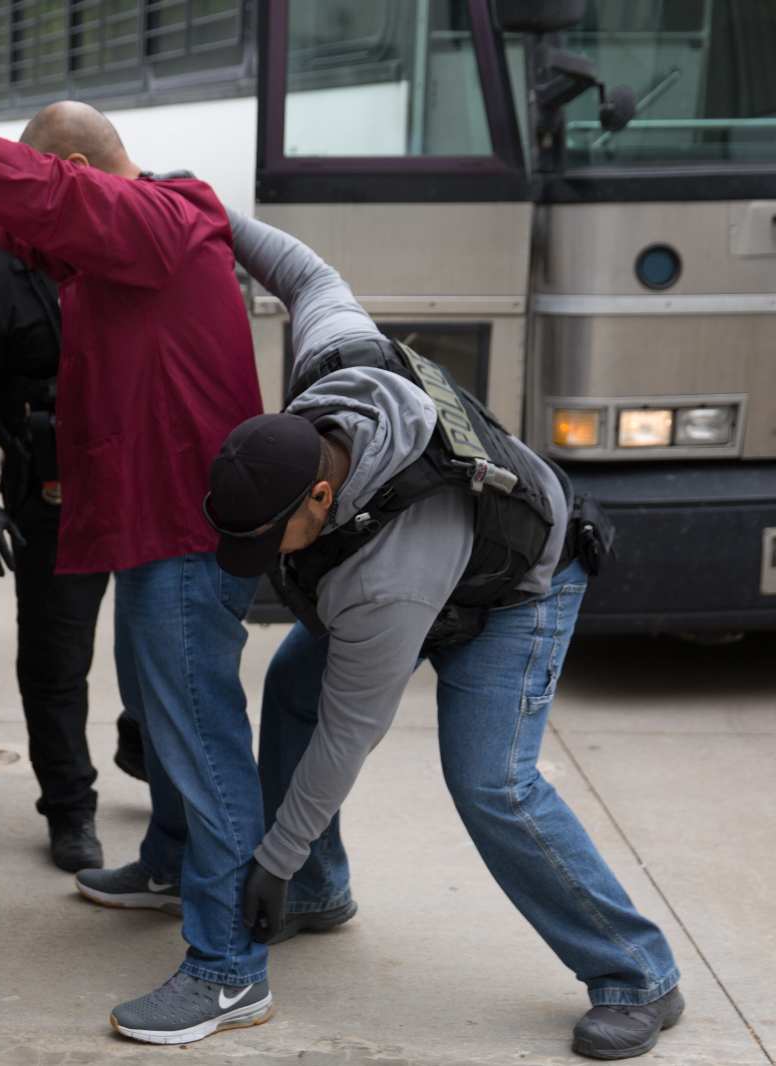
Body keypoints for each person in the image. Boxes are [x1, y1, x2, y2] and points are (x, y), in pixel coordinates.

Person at [0, 5, 274, 1044]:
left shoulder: (154, 220)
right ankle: (170, 862)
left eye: (60, 185)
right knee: (165, 716)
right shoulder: (123, 245)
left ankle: (230, 966)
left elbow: (40, 198)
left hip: (181, 533)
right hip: (152, 528)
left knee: (200, 736)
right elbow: (18, 223)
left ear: (84, 173)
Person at [210, 212, 684, 1061]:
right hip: (441, 567)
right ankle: (319, 891)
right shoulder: (335, 366)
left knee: (492, 782)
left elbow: (350, 734)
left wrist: (271, 858)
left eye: (271, 539)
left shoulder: (384, 583)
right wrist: (209, 212)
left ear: (319, 497)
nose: (265, 560)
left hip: (517, 590)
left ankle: (636, 972)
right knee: (289, 690)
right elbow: (307, 274)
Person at [0, 246, 109, 872]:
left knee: (168, 647)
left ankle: (147, 752)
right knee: (54, 659)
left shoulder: (132, 251)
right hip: (52, 492)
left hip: (146, 485)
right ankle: (70, 808)